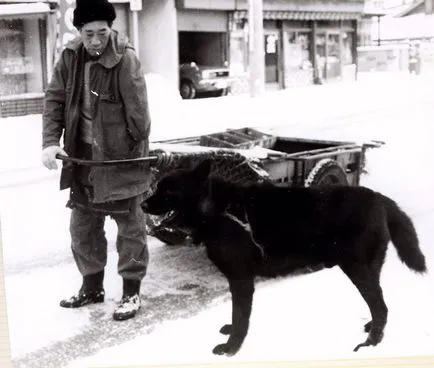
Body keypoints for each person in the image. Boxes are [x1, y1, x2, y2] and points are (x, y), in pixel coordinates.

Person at [41, 0, 152, 321]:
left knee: (130, 229)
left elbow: (141, 119)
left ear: (111, 29)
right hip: (82, 159)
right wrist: (50, 142)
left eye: (102, 32)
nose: (95, 41)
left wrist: (130, 153)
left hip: (120, 161)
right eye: (88, 33)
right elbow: (55, 100)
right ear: (78, 31)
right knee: (83, 227)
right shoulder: (71, 56)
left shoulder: (125, 59)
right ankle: (92, 287)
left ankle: (131, 293)